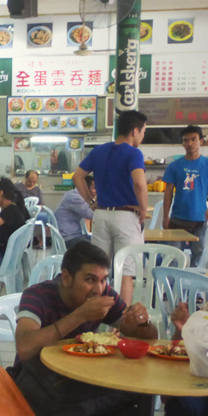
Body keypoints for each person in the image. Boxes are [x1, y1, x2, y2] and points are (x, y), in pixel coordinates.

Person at [12, 242, 157, 416]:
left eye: (103, 280)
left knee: (131, 414)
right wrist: (79, 316)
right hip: (36, 385)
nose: (98, 289)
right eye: (90, 280)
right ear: (66, 277)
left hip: (81, 387)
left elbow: (147, 336)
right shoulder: (38, 295)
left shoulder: (105, 294)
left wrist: (140, 321)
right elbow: (24, 347)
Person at [73, 109, 149, 304]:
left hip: (101, 216)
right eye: (143, 132)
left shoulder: (99, 151)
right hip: (126, 216)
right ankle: (122, 321)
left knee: (98, 270)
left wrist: (91, 202)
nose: (142, 136)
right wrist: (143, 208)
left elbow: (77, 176)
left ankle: (96, 314)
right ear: (134, 131)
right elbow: (140, 183)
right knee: (126, 272)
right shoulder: (134, 153)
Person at [161, 125, 208, 265]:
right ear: (182, 143)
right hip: (177, 221)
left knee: (198, 257)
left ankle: (192, 286)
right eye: (186, 140)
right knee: (173, 258)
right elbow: (168, 192)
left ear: (201, 141)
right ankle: (170, 285)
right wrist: (165, 217)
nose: (190, 144)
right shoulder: (174, 166)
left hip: (200, 221)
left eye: (193, 139)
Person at [55, 175, 96, 248]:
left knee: (98, 241)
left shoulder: (76, 193)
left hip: (74, 234)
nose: (95, 192)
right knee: (95, 248)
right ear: (85, 187)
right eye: (94, 188)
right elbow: (90, 214)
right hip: (67, 237)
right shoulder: (75, 197)